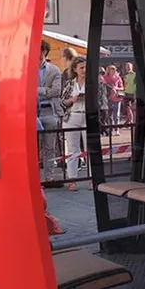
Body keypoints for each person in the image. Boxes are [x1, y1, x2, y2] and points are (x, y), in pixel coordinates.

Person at [61, 56, 87, 191]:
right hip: (72, 117)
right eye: (81, 67)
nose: (84, 70)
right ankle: (72, 180)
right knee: (72, 149)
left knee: (90, 150)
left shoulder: (94, 82)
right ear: (75, 69)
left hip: (88, 116)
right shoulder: (70, 84)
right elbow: (62, 102)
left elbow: (101, 101)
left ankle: (92, 180)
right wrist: (72, 100)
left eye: (86, 67)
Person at [37, 40, 62, 183]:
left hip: (49, 111)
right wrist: (45, 92)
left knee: (49, 146)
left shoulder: (54, 70)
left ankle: (49, 177)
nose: (38, 53)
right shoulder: (26, 68)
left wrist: (37, 91)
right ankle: (35, 178)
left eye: (41, 50)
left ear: (45, 52)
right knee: (34, 147)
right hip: (32, 111)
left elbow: (56, 91)